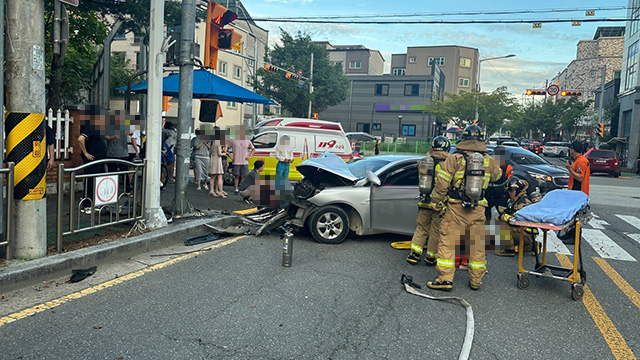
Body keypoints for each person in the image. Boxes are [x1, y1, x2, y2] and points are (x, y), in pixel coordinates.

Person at [426, 124, 502, 291]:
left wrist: (435, 201)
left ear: (463, 139)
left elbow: (442, 183)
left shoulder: (454, 159)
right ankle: (476, 281)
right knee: (477, 245)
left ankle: (445, 279)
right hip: (479, 208)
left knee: (447, 243)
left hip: (456, 208)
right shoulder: (487, 160)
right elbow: (498, 176)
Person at [406, 135, 450, 266]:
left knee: (421, 228)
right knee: (435, 230)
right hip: (439, 203)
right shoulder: (447, 165)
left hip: (424, 200)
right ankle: (431, 257)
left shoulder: (424, 161)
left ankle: (414, 254)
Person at [495, 177, 538, 256]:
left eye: (511, 191)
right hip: (526, 233)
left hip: (526, 233)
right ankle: (532, 246)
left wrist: (505, 216)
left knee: (501, 223)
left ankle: (509, 250)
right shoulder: (517, 199)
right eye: (508, 191)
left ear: (518, 190)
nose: (509, 193)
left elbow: (517, 219)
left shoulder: (523, 203)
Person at [77, 106, 108, 212]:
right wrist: (86, 153)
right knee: (91, 181)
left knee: (99, 181)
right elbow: (81, 139)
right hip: (93, 160)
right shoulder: (90, 125)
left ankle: (96, 202)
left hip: (100, 160)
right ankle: (87, 205)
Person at [485, 146, 512, 221]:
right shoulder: (490, 165)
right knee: (486, 212)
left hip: (501, 195)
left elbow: (510, 180)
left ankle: (503, 229)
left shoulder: (508, 167)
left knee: (503, 213)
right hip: (489, 193)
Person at [229, 127, 255, 193]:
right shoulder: (233, 141)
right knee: (236, 175)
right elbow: (226, 148)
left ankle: (242, 188)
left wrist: (250, 156)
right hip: (236, 162)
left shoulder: (247, 141)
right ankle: (236, 189)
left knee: (245, 176)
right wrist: (231, 157)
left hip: (245, 161)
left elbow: (253, 149)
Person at [208, 129, 228, 198]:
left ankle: (212, 190)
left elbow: (210, 151)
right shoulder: (219, 142)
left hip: (213, 159)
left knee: (213, 177)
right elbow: (219, 153)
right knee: (219, 176)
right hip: (217, 160)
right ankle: (220, 191)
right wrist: (225, 154)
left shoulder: (212, 142)